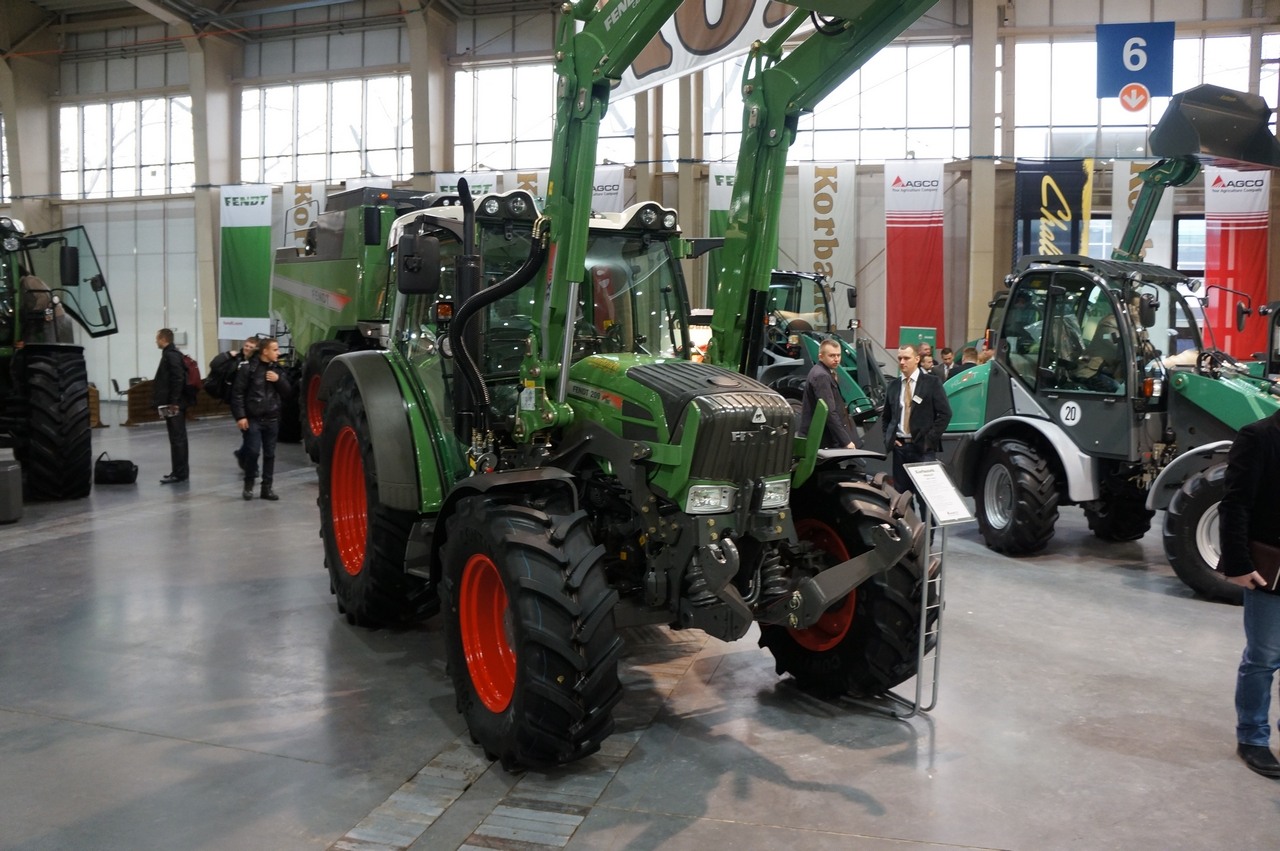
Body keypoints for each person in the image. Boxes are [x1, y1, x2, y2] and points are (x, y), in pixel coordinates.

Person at [1219, 408, 1280, 777]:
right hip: (1270, 570)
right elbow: (1235, 503)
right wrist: (1238, 563)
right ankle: (1253, 738)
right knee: (1263, 658)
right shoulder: (1259, 436)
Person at [882, 344, 951, 497]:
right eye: (900, 358)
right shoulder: (893, 386)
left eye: (906, 358)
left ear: (917, 359)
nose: (902, 362)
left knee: (925, 497)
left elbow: (945, 414)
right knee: (902, 497)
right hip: (900, 449)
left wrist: (929, 439)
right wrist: (890, 438)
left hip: (923, 449)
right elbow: (886, 417)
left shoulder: (932, 383)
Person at [231, 336, 292, 501]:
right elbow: (237, 394)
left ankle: (267, 488)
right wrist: (240, 416)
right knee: (252, 452)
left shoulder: (277, 370)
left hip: (272, 418)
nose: (278, 353)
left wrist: (278, 380)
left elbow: (288, 392)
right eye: (275, 350)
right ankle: (248, 485)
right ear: (265, 351)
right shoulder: (248, 369)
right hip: (253, 419)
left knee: (270, 454)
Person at [797, 338, 860, 449]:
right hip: (822, 440)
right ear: (821, 356)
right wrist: (845, 441)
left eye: (838, 355)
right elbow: (829, 412)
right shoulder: (822, 376)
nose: (836, 359)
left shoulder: (822, 372)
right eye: (832, 356)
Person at [210, 337, 261, 471]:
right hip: (237, 401)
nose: (247, 348)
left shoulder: (257, 363)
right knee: (250, 434)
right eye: (246, 345)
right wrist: (226, 355)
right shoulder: (236, 358)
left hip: (252, 402)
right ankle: (250, 464)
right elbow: (214, 365)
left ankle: (243, 456)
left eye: (251, 347)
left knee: (250, 434)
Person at [153, 328, 190, 484]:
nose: (156, 341)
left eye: (157, 338)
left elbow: (178, 378)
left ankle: (180, 473)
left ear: (163, 339)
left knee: (177, 438)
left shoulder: (171, 355)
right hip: (173, 402)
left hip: (174, 404)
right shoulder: (171, 353)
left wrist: (174, 402)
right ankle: (178, 471)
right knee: (176, 438)